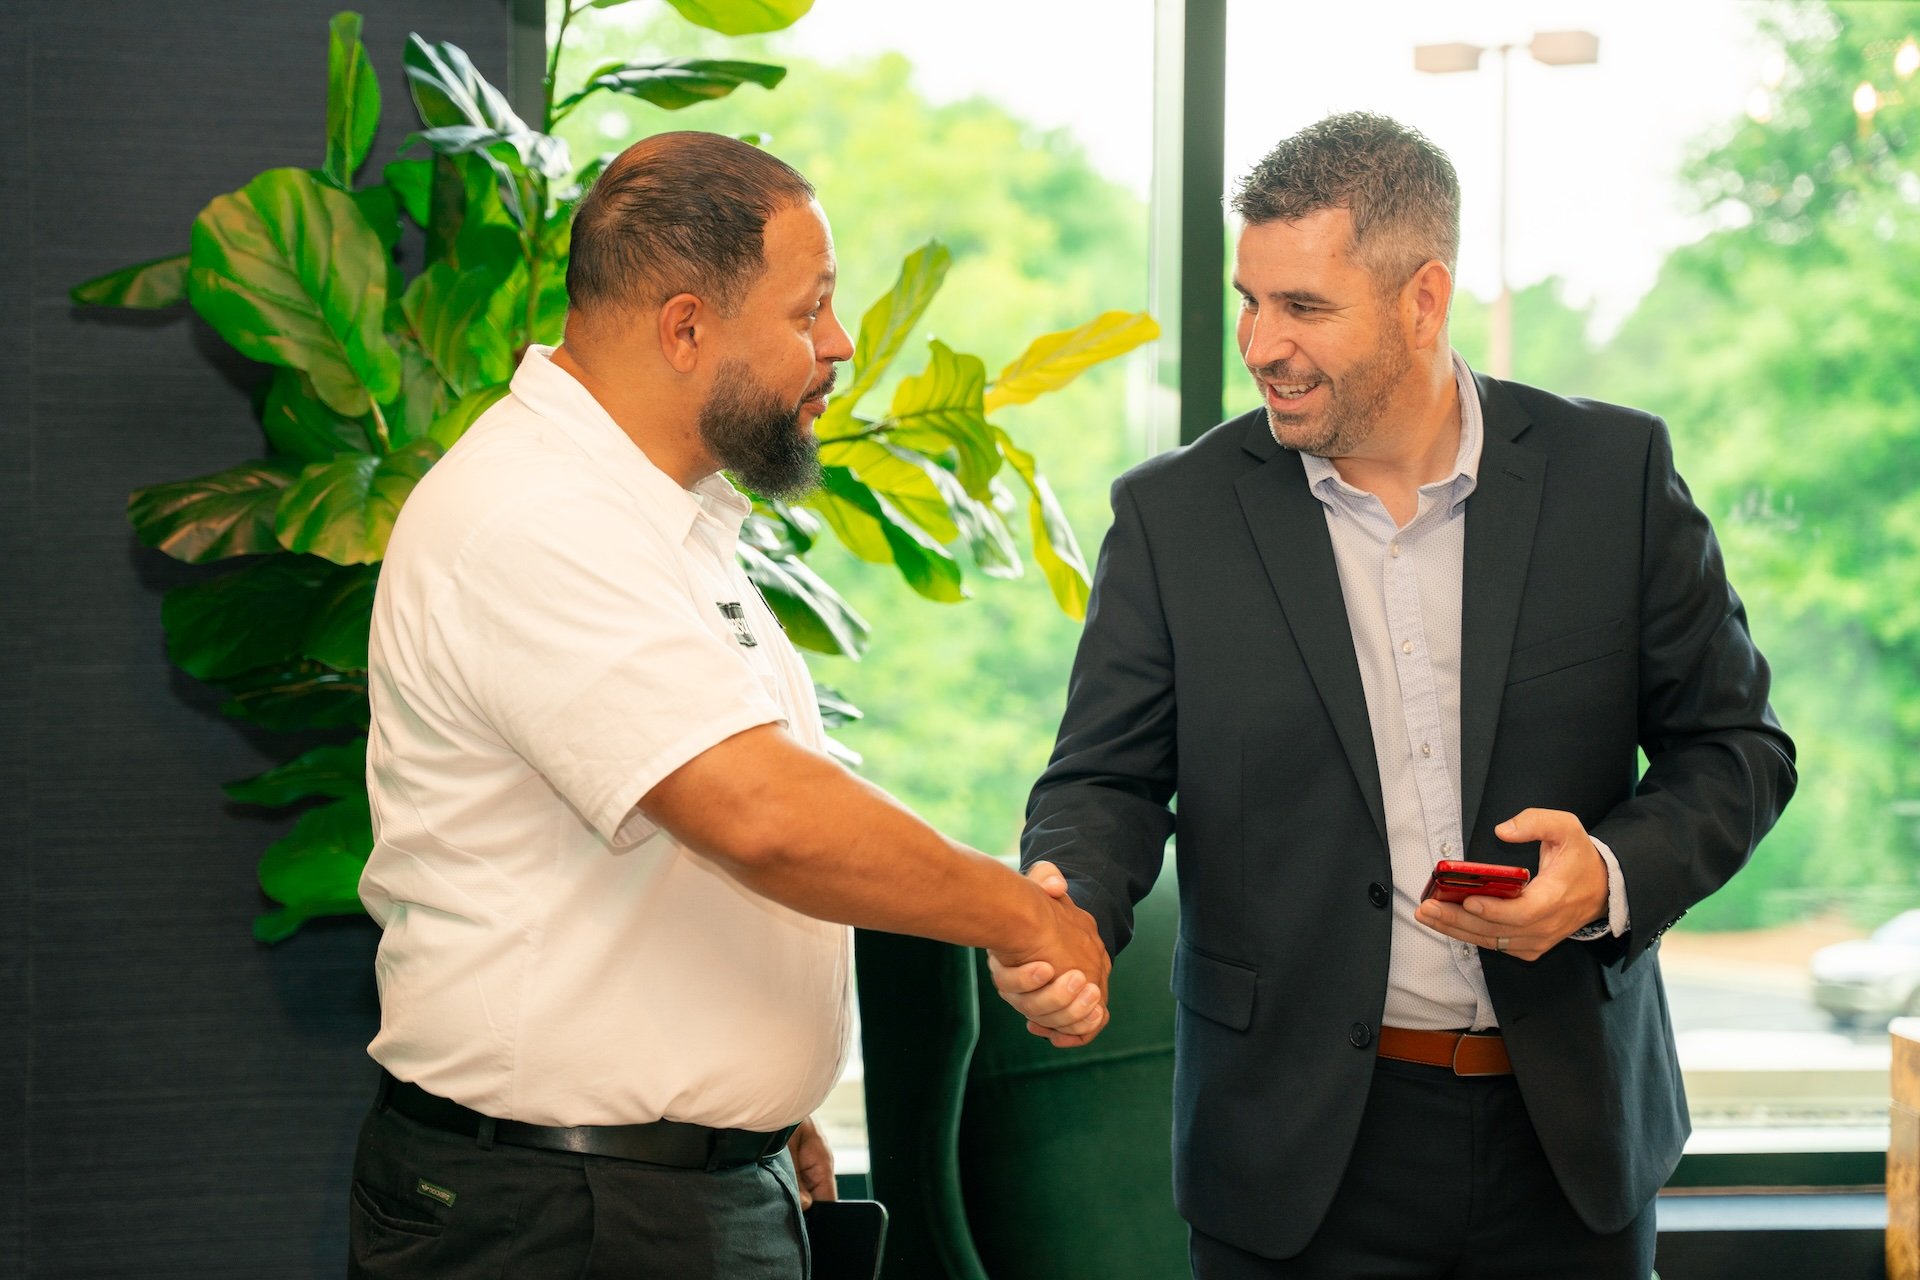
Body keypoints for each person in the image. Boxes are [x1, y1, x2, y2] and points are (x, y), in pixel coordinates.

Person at [992, 112, 1797, 1278]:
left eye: (1304, 308)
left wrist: (1607, 878)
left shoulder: (1609, 478)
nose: (1262, 342)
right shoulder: (1175, 517)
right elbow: (1105, 779)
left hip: (1570, 1145)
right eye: (1250, 299)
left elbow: (1736, 747)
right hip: (1292, 1158)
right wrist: (1070, 907)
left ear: (1425, 299)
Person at [348, 130, 1109, 1279]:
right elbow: (762, 816)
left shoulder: (668, 519)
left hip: (665, 1188)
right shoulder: (538, 517)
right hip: (565, 1218)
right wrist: (1024, 915)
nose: (840, 345)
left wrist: (743, 1106)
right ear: (687, 326)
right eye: (811, 311)